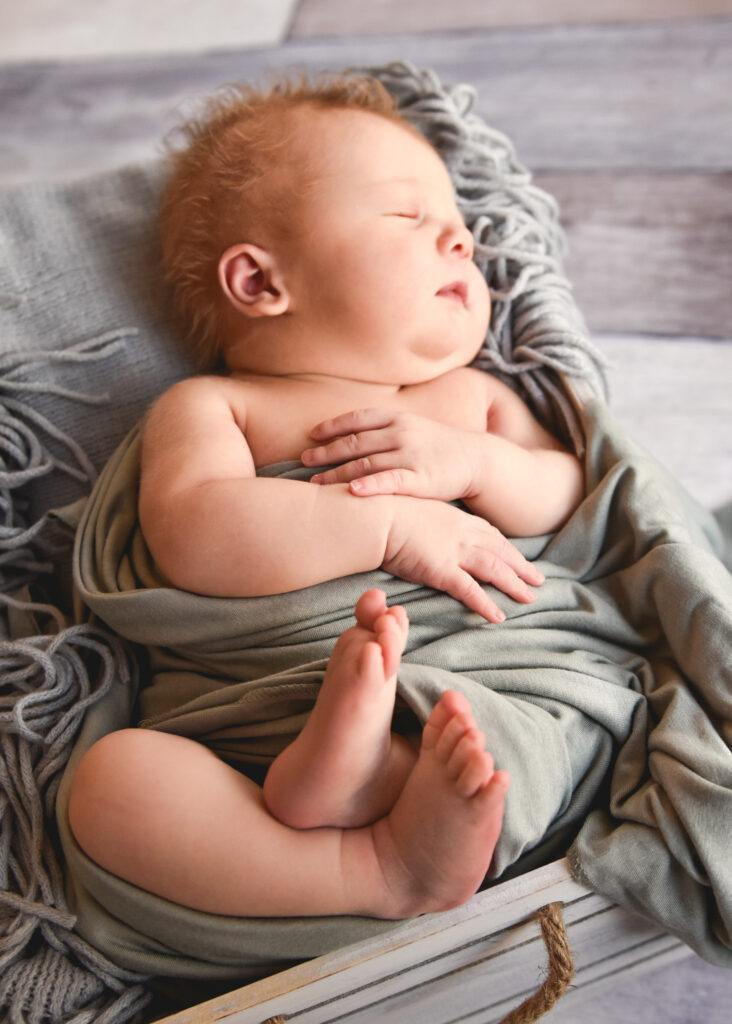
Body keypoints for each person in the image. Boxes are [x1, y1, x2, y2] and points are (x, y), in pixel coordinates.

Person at [68, 74, 584, 921]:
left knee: (547, 717)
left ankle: (373, 771)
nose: (459, 240)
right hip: (257, 718)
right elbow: (195, 535)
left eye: (458, 228)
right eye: (407, 218)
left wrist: (478, 466)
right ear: (261, 283)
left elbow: (567, 494)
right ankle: (371, 867)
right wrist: (387, 524)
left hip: (473, 678)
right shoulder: (217, 408)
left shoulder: (469, 399)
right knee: (110, 786)